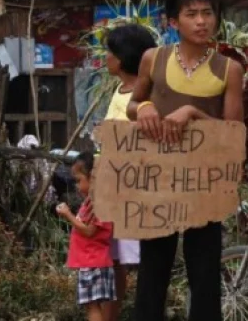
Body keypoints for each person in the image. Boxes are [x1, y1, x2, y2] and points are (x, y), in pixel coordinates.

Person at [127, 0, 244, 321]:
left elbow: (233, 134)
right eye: (191, 14)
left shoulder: (229, 69)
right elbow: (134, 104)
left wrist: (193, 113)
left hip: (205, 185)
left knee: (205, 275)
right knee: (152, 274)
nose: (202, 21)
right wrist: (145, 107)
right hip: (158, 182)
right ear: (172, 22)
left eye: (208, 13)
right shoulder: (153, 59)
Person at [103, 23, 157, 321]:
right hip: (113, 189)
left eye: (109, 52)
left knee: (132, 260)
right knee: (113, 260)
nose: (105, 58)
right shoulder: (120, 91)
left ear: (121, 59)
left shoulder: (143, 99)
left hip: (134, 192)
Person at [57, 151, 116, 321]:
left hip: (92, 262)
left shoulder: (98, 203)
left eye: (78, 180)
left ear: (93, 177)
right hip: (95, 261)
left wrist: (68, 215)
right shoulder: (93, 201)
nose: (76, 186)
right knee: (96, 306)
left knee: (92, 307)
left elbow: (90, 231)